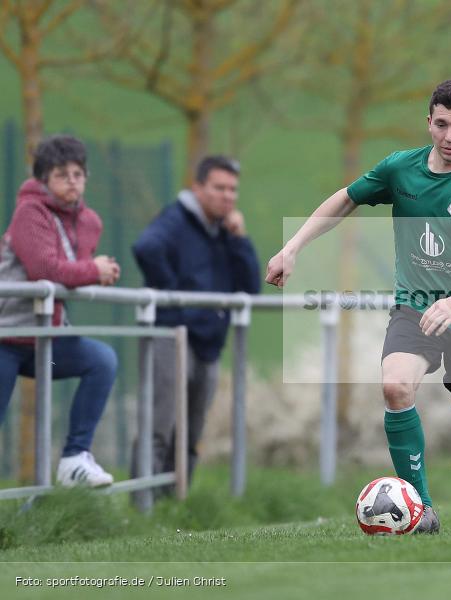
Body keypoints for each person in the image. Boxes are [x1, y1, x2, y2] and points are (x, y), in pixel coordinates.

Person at [266, 79, 451, 533]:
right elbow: (345, 200)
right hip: (414, 308)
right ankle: (420, 509)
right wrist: (293, 247)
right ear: (428, 121)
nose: (449, 137)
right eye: (441, 124)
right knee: (395, 387)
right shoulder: (400, 170)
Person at [131, 155, 260, 492]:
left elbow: (251, 288)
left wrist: (240, 239)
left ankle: (175, 504)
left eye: (233, 189)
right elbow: (146, 248)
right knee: (160, 425)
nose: (228, 196)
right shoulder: (175, 220)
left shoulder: (224, 231)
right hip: (172, 334)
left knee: (191, 432)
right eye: (219, 187)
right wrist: (178, 301)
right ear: (198, 187)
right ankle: (142, 504)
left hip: (209, 343)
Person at [0, 134, 120, 487]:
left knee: (102, 361)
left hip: (46, 338)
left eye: (78, 173)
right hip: (6, 335)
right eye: (62, 174)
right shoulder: (29, 212)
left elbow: (73, 273)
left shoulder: (90, 221)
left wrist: (101, 272)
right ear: (43, 180)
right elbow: (44, 269)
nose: (72, 181)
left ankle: (74, 460)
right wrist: (93, 271)